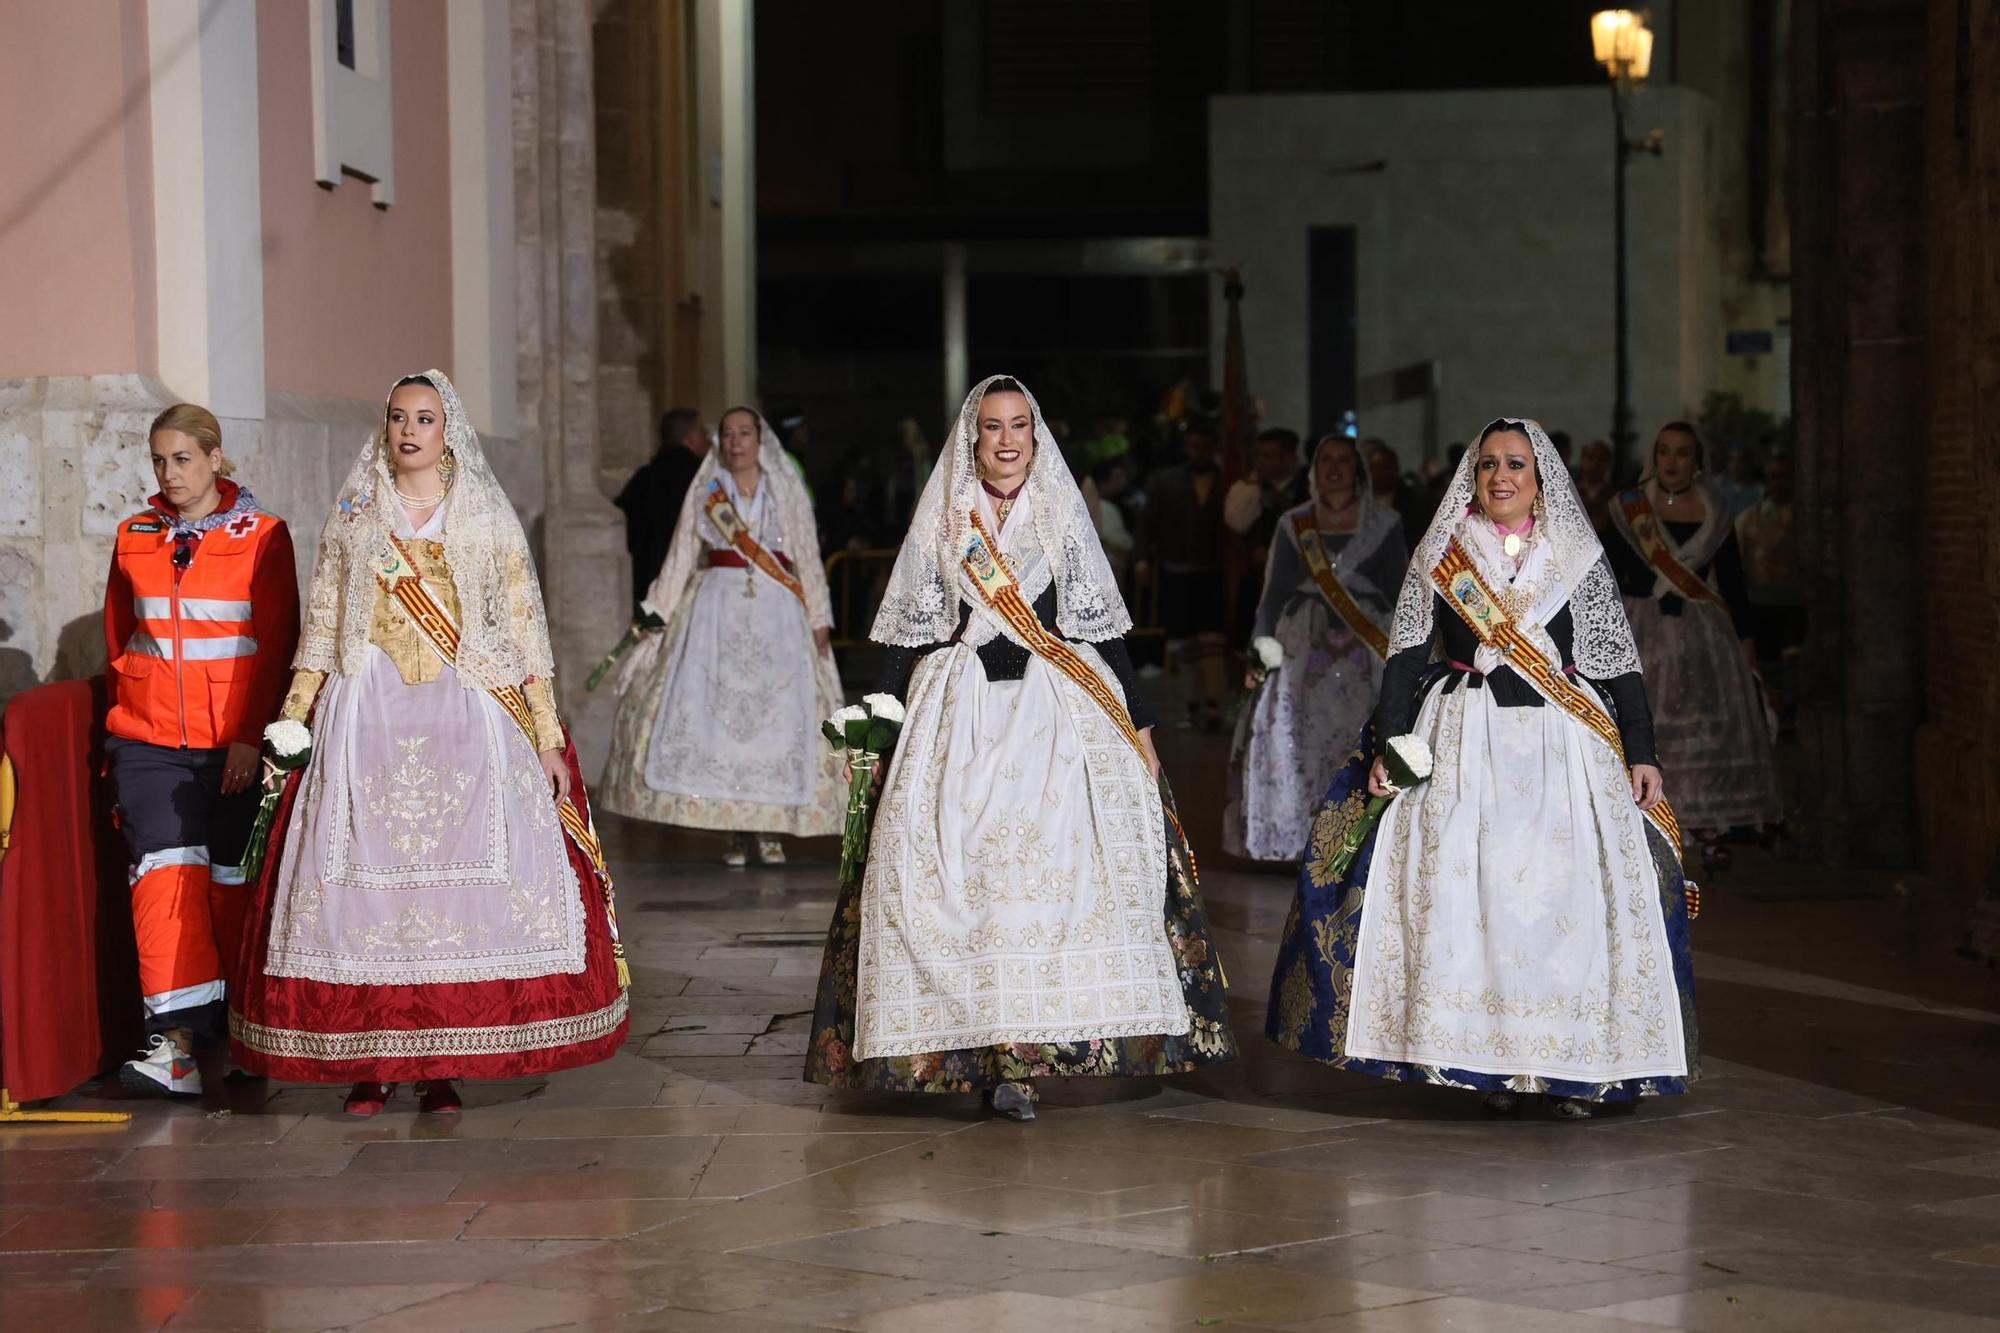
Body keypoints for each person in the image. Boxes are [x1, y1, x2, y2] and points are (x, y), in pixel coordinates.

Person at [804, 375, 1235, 1120]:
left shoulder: (1061, 512)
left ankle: (1029, 1048)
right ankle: (975, 1042)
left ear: (1036, 436)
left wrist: (1142, 728)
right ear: (974, 438)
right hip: (958, 713)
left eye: (1020, 426)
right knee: (955, 882)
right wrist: (876, 716)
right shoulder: (945, 516)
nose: (1007, 440)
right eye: (994, 427)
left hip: (1057, 714)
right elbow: (909, 631)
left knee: (1055, 878)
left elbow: (1102, 628)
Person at [1266, 418, 1697, 1120]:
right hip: (1466, 736)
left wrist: (1641, 751)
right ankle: (1486, 1064)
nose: (1501, 476)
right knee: (1475, 898)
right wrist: (1392, 745)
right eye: (1489, 464)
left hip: (1566, 747)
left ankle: (1573, 1066)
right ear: (1474, 477)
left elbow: (1617, 661)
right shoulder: (1443, 553)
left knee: (1567, 899)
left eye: (1516, 464)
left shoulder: (1576, 554)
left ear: (1539, 477)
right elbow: (1406, 657)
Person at [230, 371, 629, 1117]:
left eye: (425, 418)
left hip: (464, 720)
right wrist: (291, 722)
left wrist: (545, 734)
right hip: (366, 717)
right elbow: (321, 627)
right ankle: (371, 1066)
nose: (409, 430)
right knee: (368, 899)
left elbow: (521, 630)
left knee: (448, 894)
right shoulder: (355, 513)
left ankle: (440, 1066)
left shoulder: (483, 515)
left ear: (450, 431)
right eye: (398, 417)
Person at [104, 405, 299, 1096]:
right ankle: (174, 1046)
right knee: (163, 879)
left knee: (230, 890)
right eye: (159, 460)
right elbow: (123, 636)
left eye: (182, 458)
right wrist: (127, 723)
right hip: (149, 744)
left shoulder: (265, 536)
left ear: (217, 458)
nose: (169, 473)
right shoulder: (134, 535)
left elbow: (276, 644)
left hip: (231, 747)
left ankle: (247, 1038)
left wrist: (250, 735)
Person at [600, 406, 844, 864]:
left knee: (775, 723)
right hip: (714, 613)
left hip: (777, 616)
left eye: (744, 433)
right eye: (728, 434)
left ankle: (769, 828)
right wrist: (655, 616)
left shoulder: (783, 491)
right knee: (719, 724)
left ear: (760, 439)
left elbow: (807, 555)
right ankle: (734, 828)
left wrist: (820, 617)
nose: (735, 442)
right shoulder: (707, 493)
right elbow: (679, 558)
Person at [1223, 434, 1407, 862]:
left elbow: (1400, 592)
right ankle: (1301, 838)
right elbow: (1274, 594)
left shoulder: (1386, 522)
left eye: (1345, 460)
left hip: (1366, 649)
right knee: (1297, 737)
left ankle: (1358, 839)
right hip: (1304, 645)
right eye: (1327, 460)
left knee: (1359, 741)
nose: (1335, 468)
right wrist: (1259, 650)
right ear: (1314, 468)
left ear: (1358, 468)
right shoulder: (1294, 523)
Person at [1605, 422, 1783, 855]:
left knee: (1704, 722)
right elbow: (1604, 576)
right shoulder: (1629, 508)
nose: (1672, 461)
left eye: (1683, 453)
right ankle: (1647, 814)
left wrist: (1746, 641)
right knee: (1648, 721)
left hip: (1703, 636)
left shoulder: (1716, 511)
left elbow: (1735, 584)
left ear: (1698, 462)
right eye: (1664, 451)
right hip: (1642, 630)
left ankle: (1701, 822)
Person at [1136, 418, 1229, 731]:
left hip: (1214, 571)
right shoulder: (1165, 481)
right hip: (1176, 570)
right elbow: (1146, 522)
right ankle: (1191, 705)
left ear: (1213, 449)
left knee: (1213, 641)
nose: (1199, 451)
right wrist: (1142, 560)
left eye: (1205, 446)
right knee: (1182, 643)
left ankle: (1214, 705)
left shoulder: (1229, 481)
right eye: (1194, 445)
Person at [615, 407, 708, 616]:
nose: (707, 438)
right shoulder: (702, 478)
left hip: (648, 583)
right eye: (702, 432)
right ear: (690, 438)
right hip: (689, 585)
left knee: (653, 641)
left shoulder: (643, 478)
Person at [1224, 427, 1311, 647]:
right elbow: (1237, 522)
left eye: (1268, 456)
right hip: (1259, 581)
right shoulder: (1253, 489)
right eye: (1258, 456)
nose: (1261, 462)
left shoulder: (1309, 487)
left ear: (1290, 457)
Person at [1734, 450, 1804, 665]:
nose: (1779, 483)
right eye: (1774, 477)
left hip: (1795, 605)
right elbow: (1735, 564)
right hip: (1759, 605)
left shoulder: (1806, 520)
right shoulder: (1748, 520)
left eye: (1784, 477)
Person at [1364, 438, 1431, 548]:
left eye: (1385, 468)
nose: (1379, 474)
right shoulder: (1360, 501)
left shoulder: (1415, 503)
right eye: (1374, 468)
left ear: (1395, 469)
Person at [1574, 438, 1617, 534]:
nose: (1595, 463)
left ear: (1608, 463)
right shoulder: (1570, 492)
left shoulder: (1613, 496)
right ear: (1583, 459)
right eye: (1590, 457)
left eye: (1601, 459)